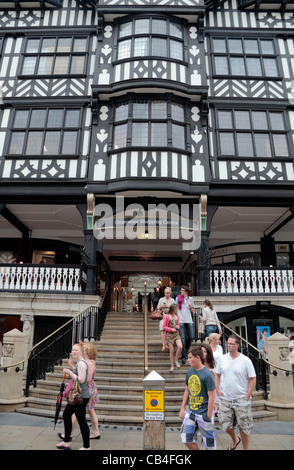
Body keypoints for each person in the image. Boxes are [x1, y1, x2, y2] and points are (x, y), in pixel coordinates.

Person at [215, 334, 256, 450]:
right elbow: (217, 375)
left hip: (241, 398)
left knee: (244, 427)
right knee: (225, 424)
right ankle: (235, 439)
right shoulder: (222, 359)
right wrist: (218, 390)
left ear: (237, 345)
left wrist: (247, 396)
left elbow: (253, 378)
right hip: (226, 398)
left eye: (231, 344)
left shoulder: (245, 360)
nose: (228, 345)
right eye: (227, 343)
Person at [58, 342, 100, 440]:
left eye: (83, 349)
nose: (82, 350)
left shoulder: (89, 363)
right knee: (89, 410)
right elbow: (82, 374)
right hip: (87, 388)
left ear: (87, 351)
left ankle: (69, 434)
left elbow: (86, 379)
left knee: (79, 412)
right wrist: (73, 367)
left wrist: (71, 372)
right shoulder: (86, 362)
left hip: (86, 389)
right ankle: (95, 432)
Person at [179, 346, 216, 450]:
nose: (188, 360)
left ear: (197, 358)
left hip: (204, 413)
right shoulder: (189, 372)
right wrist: (182, 408)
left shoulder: (208, 374)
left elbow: (212, 395)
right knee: (186, 437)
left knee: (209, 444)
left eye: (190, 357)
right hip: (191, 412)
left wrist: (208, 415)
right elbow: (187, 390)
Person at [57, 342, 90, 450]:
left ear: (81, 351)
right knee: (72, 417)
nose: (73, 352)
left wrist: (69, 372)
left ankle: (83, 446)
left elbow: (81, 380)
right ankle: (68, 442)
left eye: (76, 350)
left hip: (80, 397)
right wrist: (71, 369)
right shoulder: (81, 363)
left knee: (71, 416)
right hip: (81, 396)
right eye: (72, 350)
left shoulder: (81, 363)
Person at [175, 285, 194, 364]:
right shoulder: (178, 298)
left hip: (189, 320)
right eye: (181, 290)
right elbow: (175, 308)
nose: (181, 291)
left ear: (186, 291)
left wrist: (190, 307)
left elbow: (192, 310)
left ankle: (185, 351)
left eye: (182, 290)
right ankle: (183, 356)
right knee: (182, 338)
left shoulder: (190, 299)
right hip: (181, 320)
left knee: (190, 337)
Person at [205, 333, 223, 415]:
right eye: (218, 339)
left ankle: (216, 408)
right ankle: (209, 406)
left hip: (218, 370)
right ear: (213, 340)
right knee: (210, 388)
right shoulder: (207, 348)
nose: (219, 341)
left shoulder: (220, 348)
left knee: (218, 387)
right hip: (210, 370)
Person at [162, 304, 183, 373]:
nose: (177, 310)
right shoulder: (168, 317)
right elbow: (164, 326)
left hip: (176, 334)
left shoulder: (177, 316)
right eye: (176, 309)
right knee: (171, 350)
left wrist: (178, 327)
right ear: (173, 309)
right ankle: (172, 365)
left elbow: (178, 325)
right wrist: (171, 329)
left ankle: (176, 360)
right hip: (169, 334)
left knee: (180, 346)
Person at [157, 287, 174, 351]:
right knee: (162, 330)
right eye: (165, 293)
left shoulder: (172, 300)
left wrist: (167, 306)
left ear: (170, 293)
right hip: (163, 315)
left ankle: (167, 343)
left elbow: (174, 308)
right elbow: (158, 308)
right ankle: (164, 345)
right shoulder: (161, 299)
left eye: (167, 293)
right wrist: (161, 307)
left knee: (168, 331)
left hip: (169, 316)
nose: (166, 294)